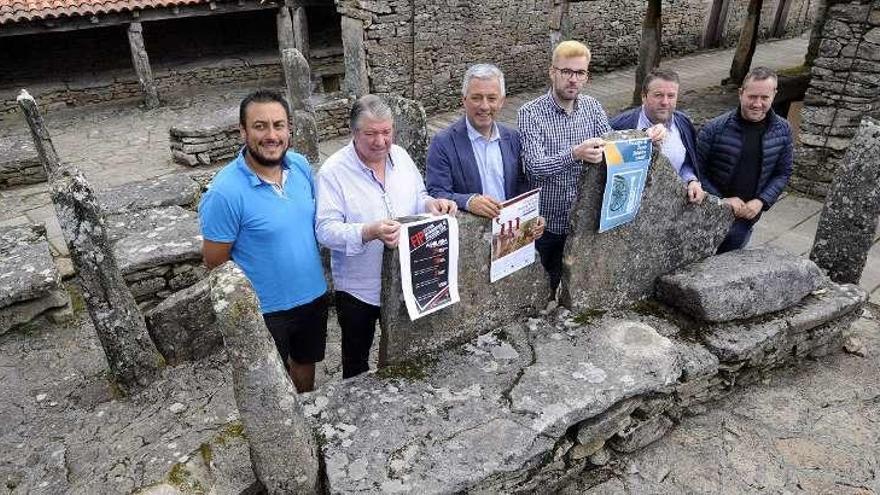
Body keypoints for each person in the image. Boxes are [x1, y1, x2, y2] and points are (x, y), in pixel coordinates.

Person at [315, 94, 457, 379]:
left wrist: (431, 205)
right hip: (358, 288)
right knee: (356, 359)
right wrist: (368, 231)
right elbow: (325, 230)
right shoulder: (333, 171)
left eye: (386, 132)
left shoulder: (401, 157)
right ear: (354, 133)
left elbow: (418, 196)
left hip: (407, 278)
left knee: (406, 351)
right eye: (370, 134)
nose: (380, 141)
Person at [198, 89, 328, 393]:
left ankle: (306, 409)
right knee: (270, 382)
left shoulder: (300, 167)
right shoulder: (224, 193)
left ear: (289, 129)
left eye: (279, 125)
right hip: (265, 309)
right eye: (260, 126)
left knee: (306, 363)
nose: (271, 135)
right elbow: (216, 263)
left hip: (313, 295)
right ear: (243, 131)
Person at [518, 40, 665, 296]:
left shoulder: (592, 107)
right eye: (566, 72)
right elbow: (533, 168)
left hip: (585, 220)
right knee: (543, 286)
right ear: (552, 72)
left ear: (587, 76)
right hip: (546, 222)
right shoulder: (530, 113)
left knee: (577, 287)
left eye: (580, 73)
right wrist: (575, 154)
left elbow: (612, 148)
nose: (573, 79)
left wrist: (645, 137)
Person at [696, 66, 793, 253]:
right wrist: (721, 200)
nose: (757, 104)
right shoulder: (713, 129)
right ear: (741, 93)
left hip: (746, 218)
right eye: (752, 97)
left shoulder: (783, 130)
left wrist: (761, 201)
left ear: (774, 95)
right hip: (708, 214)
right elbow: (697, 170)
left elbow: (783, 172)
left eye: (764, 98)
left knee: (726, 268)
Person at [610, 68, 706, 204]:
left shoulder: (684, 123)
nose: (665, 102)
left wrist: (692, 180)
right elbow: (609, 169)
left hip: (672, 207)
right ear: (644, 96)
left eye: (671, 96)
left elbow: (686, 163)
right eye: (658, 95)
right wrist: (641, 138)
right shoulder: (619, 125)